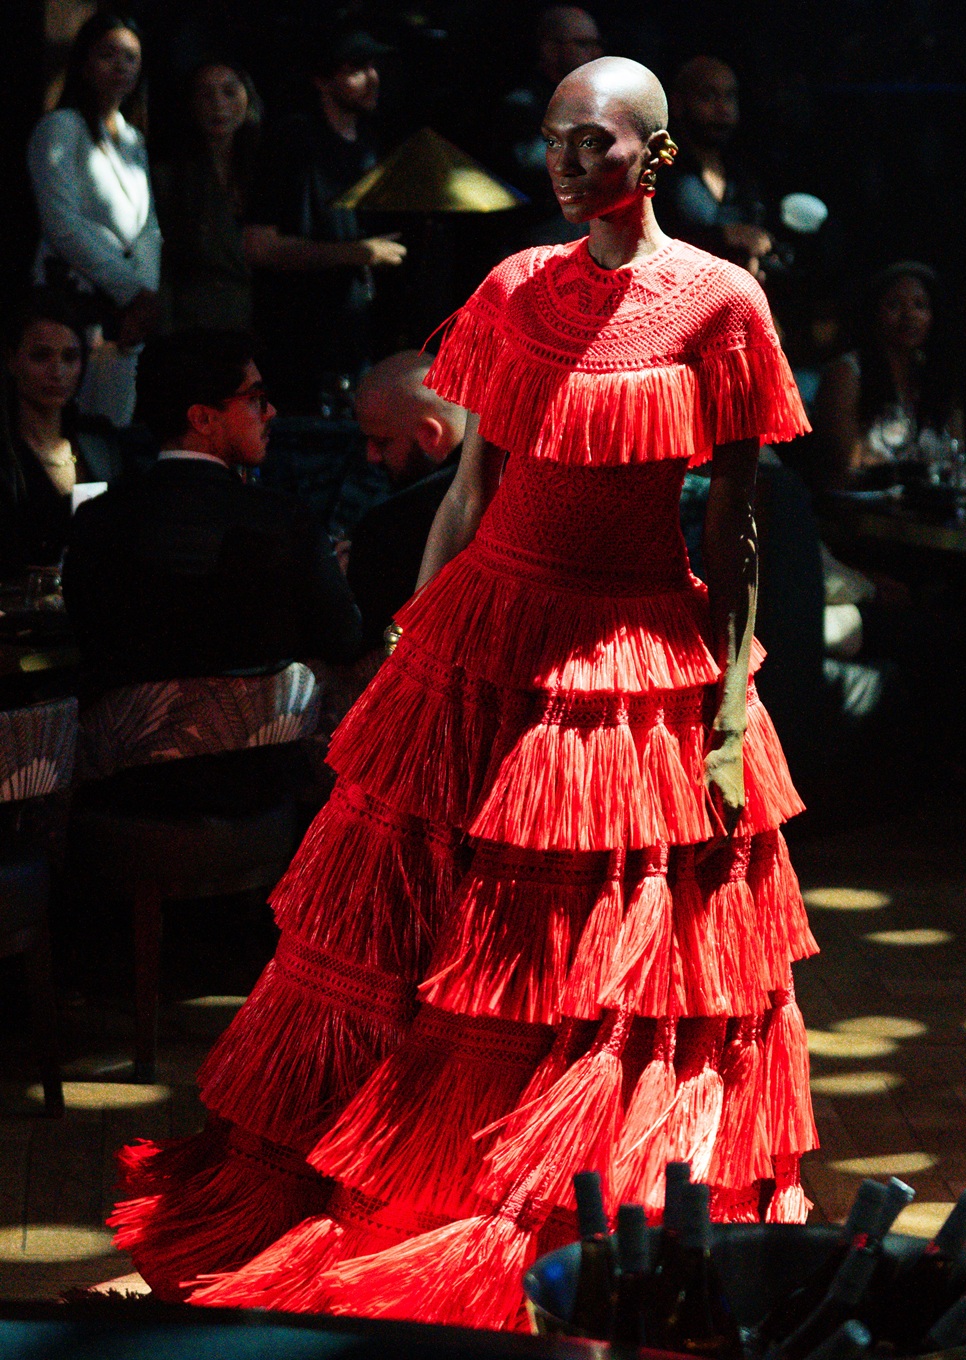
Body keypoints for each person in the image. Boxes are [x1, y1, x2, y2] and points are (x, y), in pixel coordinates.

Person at [110, 58, 818, 1326]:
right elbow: (469, 488)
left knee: (607, 953)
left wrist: (725, 707)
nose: (566, 163)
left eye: (593, 142)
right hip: (490, 624)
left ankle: (565, 1200)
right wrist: (413, 637)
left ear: (653, 155)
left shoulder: (721, 301)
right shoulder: (513, 285)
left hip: (632, 639)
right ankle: (410, 1171)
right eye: (554, 139)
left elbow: (737, 525)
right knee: (433, 929)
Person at [63, 330, 362, 694]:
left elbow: (88, 646)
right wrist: (332, 575)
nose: (270, 411)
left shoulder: (95, 521)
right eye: (255, 399)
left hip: (125, 730)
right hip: (262, 731)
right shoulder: (284, 521)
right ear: (202, 419)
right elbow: (344, 640)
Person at [243, 23, 407, 413]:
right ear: (321, 80)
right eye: (355, 69)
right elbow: (259, 246)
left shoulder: (370, 141)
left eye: (373, 66)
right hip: (298, 338)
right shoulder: (294, 139)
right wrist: (357, 253)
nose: (372, 78)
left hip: (353, 335)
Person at [27, 12, 161, 427]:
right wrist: (131, 291)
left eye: (131, 57)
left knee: (114, 427)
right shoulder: (60, 127)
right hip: (74, 297)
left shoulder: (133, 138)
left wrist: (144, 296)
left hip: (126, 312)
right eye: (108, 55)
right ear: (84, 62)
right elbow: (61, 223)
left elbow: (148, 229)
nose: (121, 66)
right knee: (72, 421)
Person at [345, 351, 467, 647]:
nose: (371, 456)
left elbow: (362, 641)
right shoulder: (516, 482)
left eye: (381, 442)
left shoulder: (390, 527)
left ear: (430, 434)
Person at [0, 291, 122, 576]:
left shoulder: (99, 441)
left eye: (70, 357)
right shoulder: (6, 452)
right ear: (11, 360)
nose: (57, 371)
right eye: (41, 356)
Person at [813, 261, 960, 490]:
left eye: (919, 305)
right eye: (894, 305)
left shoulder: (933, 375)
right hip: (864, 506)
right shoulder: (848, 373)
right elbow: (842, 465)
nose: (909, 315)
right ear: (874, 312)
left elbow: (955, 456)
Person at [153, 59, 261, 333]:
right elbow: (164, 264)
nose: (218, 103)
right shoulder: (170, 178)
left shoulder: (269, 168)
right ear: (191, 104)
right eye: (205, 94)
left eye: (229, 91)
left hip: (266, 323)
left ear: (248, 96)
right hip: (199, 326)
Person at [664, 57, 772, 273]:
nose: (723, 108)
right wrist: (723, 236)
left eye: (730, 96)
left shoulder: (745, 171)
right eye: (708, 96)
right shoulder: (662, 170)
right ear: (677, 103)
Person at [499, 6, 604, 215]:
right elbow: (534, 163)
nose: (596, 53)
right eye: (583, 44)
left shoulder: (595, 99)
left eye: (597, 44)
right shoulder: (522, 103)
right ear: (550, 49)